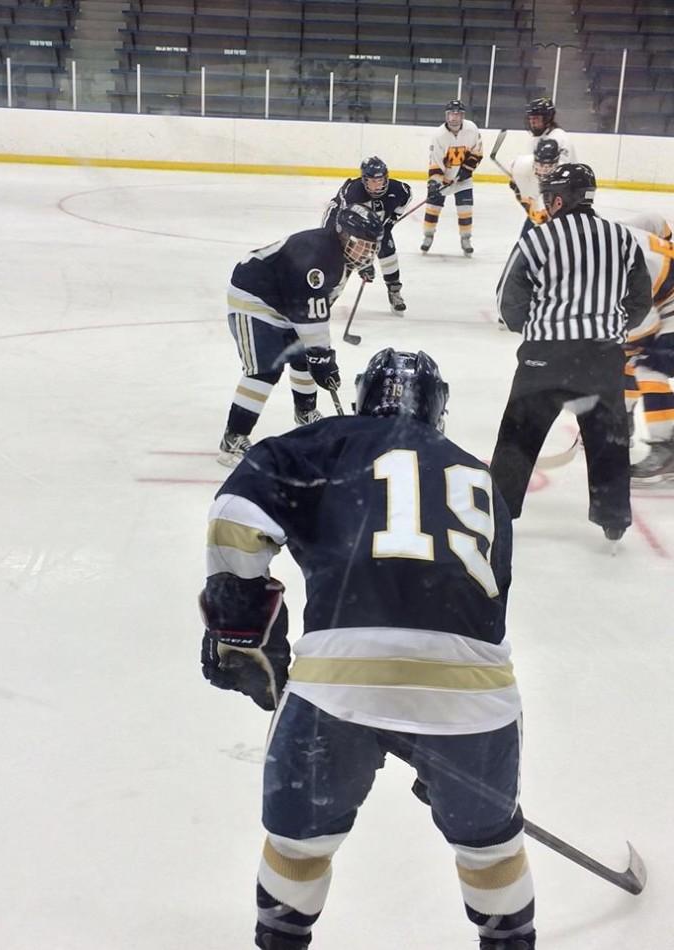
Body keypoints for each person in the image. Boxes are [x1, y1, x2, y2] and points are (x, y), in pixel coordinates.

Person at [201, 347, 536, 950]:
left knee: (297, 846)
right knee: (491, 849)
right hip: (475, 704)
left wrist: (244, 631)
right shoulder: (479, 477)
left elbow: (236, 514)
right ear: (440, 412)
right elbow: (480, 604)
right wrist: (441, 752)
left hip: (339, 686)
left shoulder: (323, 444)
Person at [490, 164, 652, 541]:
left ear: (560, 199)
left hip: (545, 358)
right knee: (608, 438)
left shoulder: (538, 239)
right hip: (602, 356)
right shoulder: (624, 240)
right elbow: (640, 300)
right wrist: (610, 327)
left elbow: (507, 303)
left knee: (519, 435)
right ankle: (613, 519)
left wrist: (536, 328)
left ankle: (499, 512)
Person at [218, 203, 383, 467]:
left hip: (287, 300)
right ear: (342, 235)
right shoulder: (319, 259)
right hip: (255, 297)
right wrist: (323, 357)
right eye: (361, 245)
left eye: (370, 247)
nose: (366, 253)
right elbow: (312, 318)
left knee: (305, 356)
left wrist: (318, 356)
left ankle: (305, 413)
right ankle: (233, 440)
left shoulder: (337, 253)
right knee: (265, 369)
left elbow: (313, 311)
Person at [618, 213, 674, 480]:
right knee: (630, 357)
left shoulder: (611, 265)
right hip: (662, 296)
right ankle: (623, 422)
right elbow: (658, 224)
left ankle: (666, 449)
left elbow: (643, 322)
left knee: (651, 367)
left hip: (668, 300)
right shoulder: (613, 234)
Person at [322, 156, 412, 314]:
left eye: (380, 181)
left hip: (371, 225)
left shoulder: (399, 190)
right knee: (341, 260)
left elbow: (407, 196)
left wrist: (391, 221)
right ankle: (325, 297)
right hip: (341, 225)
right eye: (372, 181)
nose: (377, 186)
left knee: (387, 247)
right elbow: (346, 231)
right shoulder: (353, 194)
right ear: (364, 180)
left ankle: (394, 291)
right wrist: (363, 264)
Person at [421, 99, 483, 256]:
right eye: (451, 114)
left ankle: (466, 239)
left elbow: (477, 151)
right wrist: (434, 184)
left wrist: (467, 170)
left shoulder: (472, 129)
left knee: (465, 210)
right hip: (444, 179)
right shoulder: (439, 135)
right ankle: (428, 236)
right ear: (446, 116)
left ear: (462, 116)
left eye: (457, 114)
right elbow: (435, 162)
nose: (454, 118)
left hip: (463, 179)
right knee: (432, 209)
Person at [508, 138, 562, 235]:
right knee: (535, 217)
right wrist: (533, 213)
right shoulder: (522, 167)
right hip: (530, 182)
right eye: (541, 164)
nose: (544, 170)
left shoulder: (563, 175)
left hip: (552, 198)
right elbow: (526, 199)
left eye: (549, 166)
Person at [525, 97, 576, 163]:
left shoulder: (560, 138)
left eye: (536, 118)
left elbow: (562, 166)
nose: (532, 122)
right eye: (530, 118)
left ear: (547, 118)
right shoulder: (534, 139)